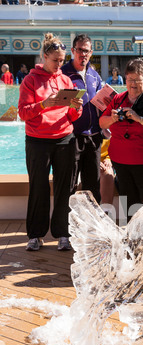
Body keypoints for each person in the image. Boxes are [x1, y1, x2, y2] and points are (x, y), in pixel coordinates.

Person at [18, 33, 83, 252]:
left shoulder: (65, 80)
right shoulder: (30, 80)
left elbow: (73, 116)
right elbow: (23, 113)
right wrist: (44, 104)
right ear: (45, 57)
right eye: (55, 60)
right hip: (37, 141)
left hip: (65, 139)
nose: (59, 64)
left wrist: (76, 106)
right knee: (39, 188)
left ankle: (63, 234)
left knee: (66, 188)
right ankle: (36, 235)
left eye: (62, 60)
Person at [99, 57, 143, 221]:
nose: (133, 84)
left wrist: (139, 119)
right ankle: (134, 242)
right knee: (130, 206)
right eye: (130, 80)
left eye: (137, 80)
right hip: (122, 163)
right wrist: (113, 119)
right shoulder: (118, 99)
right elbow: (102, 122)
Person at [61, 33, 103, 204]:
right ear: (73, 51)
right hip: (71, 138)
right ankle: (65, 226)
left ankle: (93, 227)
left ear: (91, 53)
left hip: (94, 137)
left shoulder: (94, 76)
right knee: (69, 185)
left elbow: (101, 104)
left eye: (86, 51)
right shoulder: (63, 74)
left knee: (93, 186)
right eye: (80, 50)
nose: (83, 54)